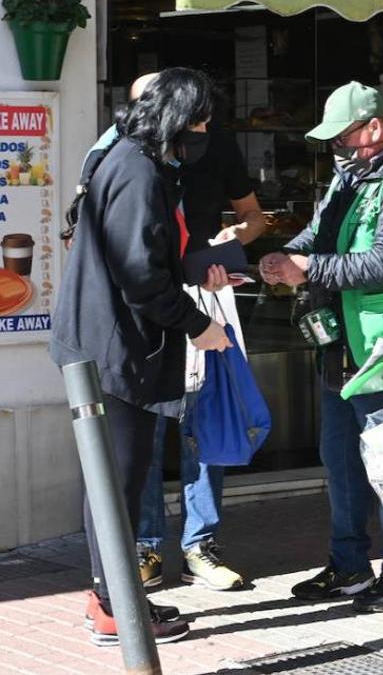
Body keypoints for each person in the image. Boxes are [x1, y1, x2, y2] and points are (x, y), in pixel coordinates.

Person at [49, 67, 231, 646]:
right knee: (118, 483)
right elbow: (141, 280)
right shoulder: (136, 170)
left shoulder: (132, 159)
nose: (204, 130)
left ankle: (108, 598)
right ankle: (116, 610)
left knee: (114, 480)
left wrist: (199, 265)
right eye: (200, 119)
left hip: (105, 344)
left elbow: (148, 256)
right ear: (178, 116)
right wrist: (199, 326)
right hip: (113, 350)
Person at [260, 81, 383, 614]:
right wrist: (280, 258)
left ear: (375, 129)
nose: (334, 149)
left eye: (342, 139)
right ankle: (350, 567)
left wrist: (308, 268)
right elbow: (316, 236)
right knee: (340, 460)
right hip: (339, 344)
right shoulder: (349, 179)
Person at [134, 89, 266, 592]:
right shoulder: (133, 156)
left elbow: (253, 219)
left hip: (205, 299)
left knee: (206, 417)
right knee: (147, 428)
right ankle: (145, 545)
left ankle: (200, 544)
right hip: (151, 309)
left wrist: (229, 244)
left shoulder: (217, 148)